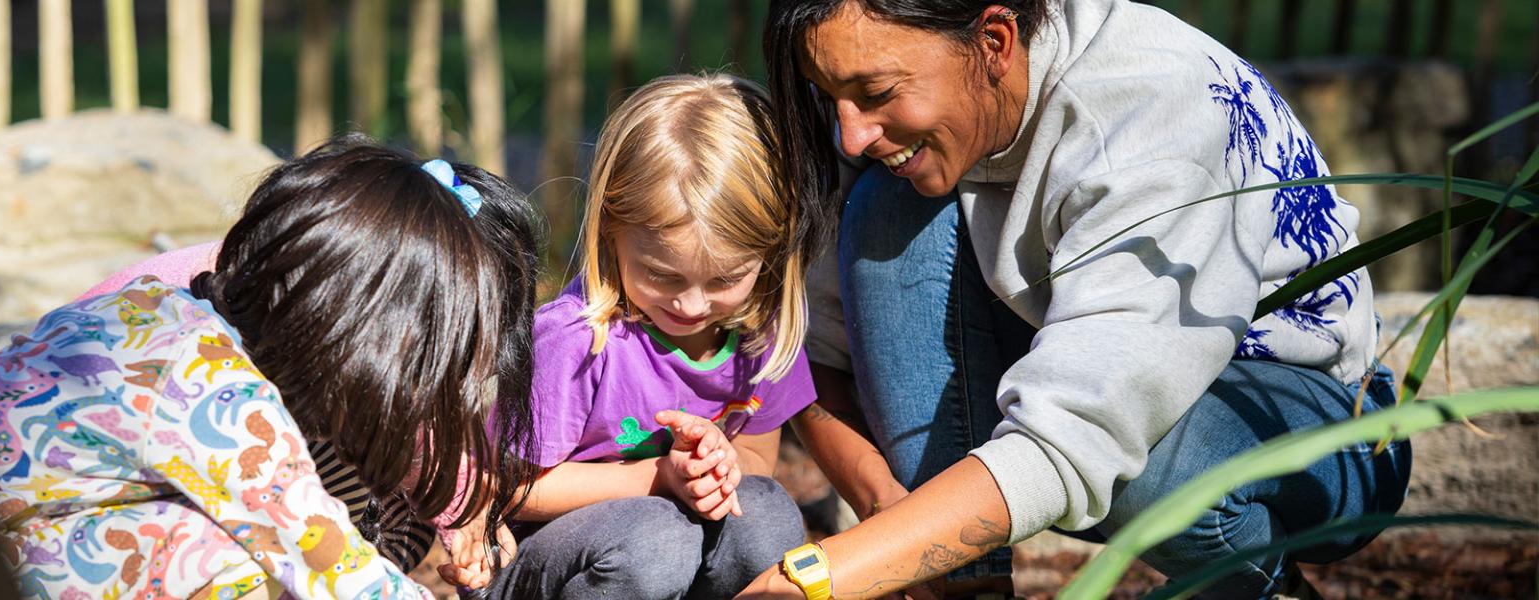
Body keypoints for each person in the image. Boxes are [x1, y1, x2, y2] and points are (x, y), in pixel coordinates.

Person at [741, 1, 1411, 598]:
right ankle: (963, 589)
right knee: (888, 212)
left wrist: (819, 579)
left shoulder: (1151, 117)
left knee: (1146, 464)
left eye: (876, 93)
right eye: (831, 97)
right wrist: (898, 533)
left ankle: (1253, 585)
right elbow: (809, 361)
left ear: (995, 41)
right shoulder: (900, 131)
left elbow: (1080, 435)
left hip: (1324, 424)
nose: (849, 134)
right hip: (1107, 400)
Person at [0, 135, 543, 599]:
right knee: (235, 562)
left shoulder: (158, 310)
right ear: (371, 342)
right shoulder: (222, 400)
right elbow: (339, 571)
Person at [480, 74, 814, 599]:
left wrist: (721, 467)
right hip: (546, 563)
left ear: (768, 254)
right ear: (611, 228)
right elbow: (508, 487)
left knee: (768, 514)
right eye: (663, 274)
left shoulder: (758, 330)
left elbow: (756, 456)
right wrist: (659, 475)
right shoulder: (577, 339)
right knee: (653, 540)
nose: (692, 305)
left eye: (725, 279)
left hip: (666, 552)